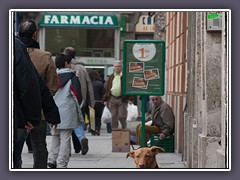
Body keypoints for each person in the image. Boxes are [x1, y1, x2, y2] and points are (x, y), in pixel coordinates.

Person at [18, 19, 60, 168]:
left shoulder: (10, 53)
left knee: (12, 147)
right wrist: (40, 100)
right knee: (39, 145)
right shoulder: (45, 56)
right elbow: (53, 86)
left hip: (14, 110)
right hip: (38, 111)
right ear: (35, 35)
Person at [48, 54, 83, 168]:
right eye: (70, 63)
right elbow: (77, 96)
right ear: (66, 63)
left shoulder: (52, 76)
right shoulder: (72, 77)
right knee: (65, 138)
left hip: (53, 111)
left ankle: (51, 159)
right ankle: (62, 163)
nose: (71, 65)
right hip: (68, 112)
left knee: (55, 136)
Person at [13, 37, 42, 168]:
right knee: (14, 158)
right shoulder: (16, 46)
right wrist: (31, 117)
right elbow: (26, 87)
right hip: (16, 116)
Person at [63, 47, 94, 155]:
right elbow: (89, 85)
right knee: (77, 122)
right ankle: (80, 142)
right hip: (81, 100)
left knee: (67, 124)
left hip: (66, 99)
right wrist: (91, 102)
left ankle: (70, 148)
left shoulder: (64, 67)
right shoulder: (82, 68)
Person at [103, 60, 131, 129]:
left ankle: (124, 128)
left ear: (121, 67)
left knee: (122, 115)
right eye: (115, 67)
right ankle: (115, 131)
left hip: (122, 98)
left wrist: (130, 98)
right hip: (112, 98)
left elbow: (129, 87)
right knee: (113, 116)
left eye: (118, 66)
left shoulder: (125, 76)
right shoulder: (112, 76)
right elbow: (107, 87)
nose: (117, 68)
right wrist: (105, 99)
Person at [89, 70, 105, 135]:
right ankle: (97, 129)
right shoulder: (100, 83)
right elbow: (103, 93)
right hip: (99, 102)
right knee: (98, 117)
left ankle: (92, 129)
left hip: (91, 102)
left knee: (92, 117)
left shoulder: (89, 84)